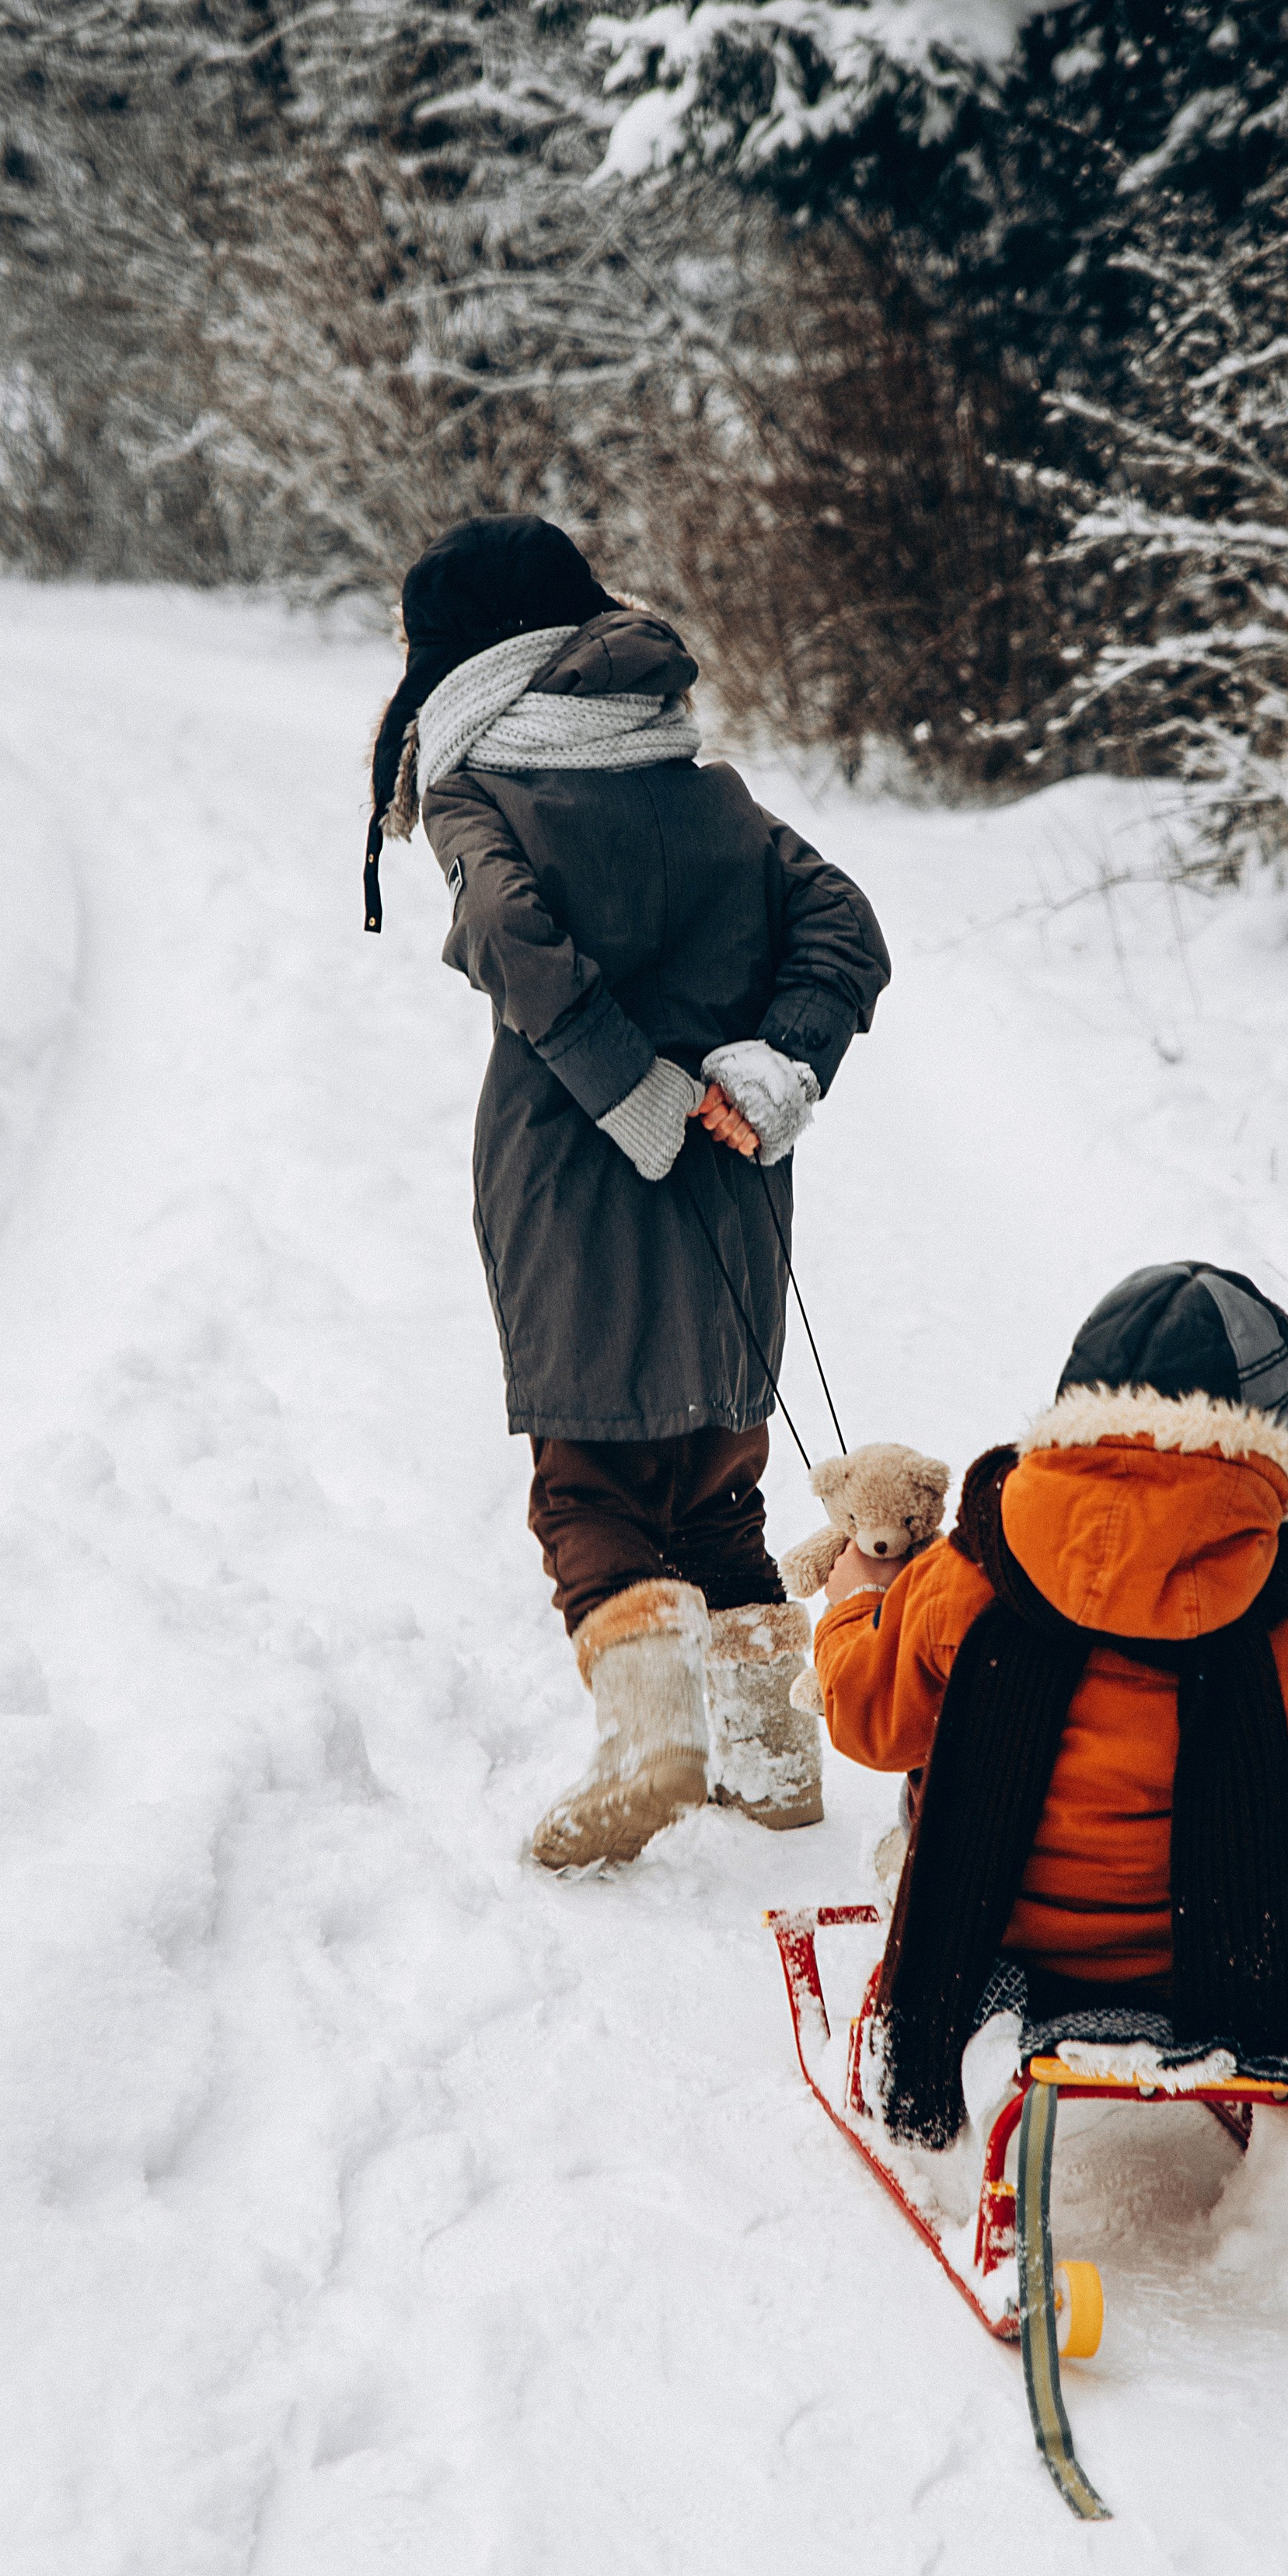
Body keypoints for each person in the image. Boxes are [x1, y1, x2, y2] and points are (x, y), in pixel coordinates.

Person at [367, 514, 890, 1870]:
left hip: (570, 1171)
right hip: (729, 1171)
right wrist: (777, 1066)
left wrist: (623, 1086)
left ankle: (654, 1744)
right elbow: (845, 924)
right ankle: (774, 1762)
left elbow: (501, 928)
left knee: (587, 1471)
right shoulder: (697, 778)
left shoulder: (477, 785)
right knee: (715, 1469)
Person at [808, 1261, 1288, 2144]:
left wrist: (852, 1609)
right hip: (1209, 1978)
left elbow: (869, 1722)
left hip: (999, 1954)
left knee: (929, 1767)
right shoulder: (1282, 1635)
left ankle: (967, 2038)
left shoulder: (970, 1574)